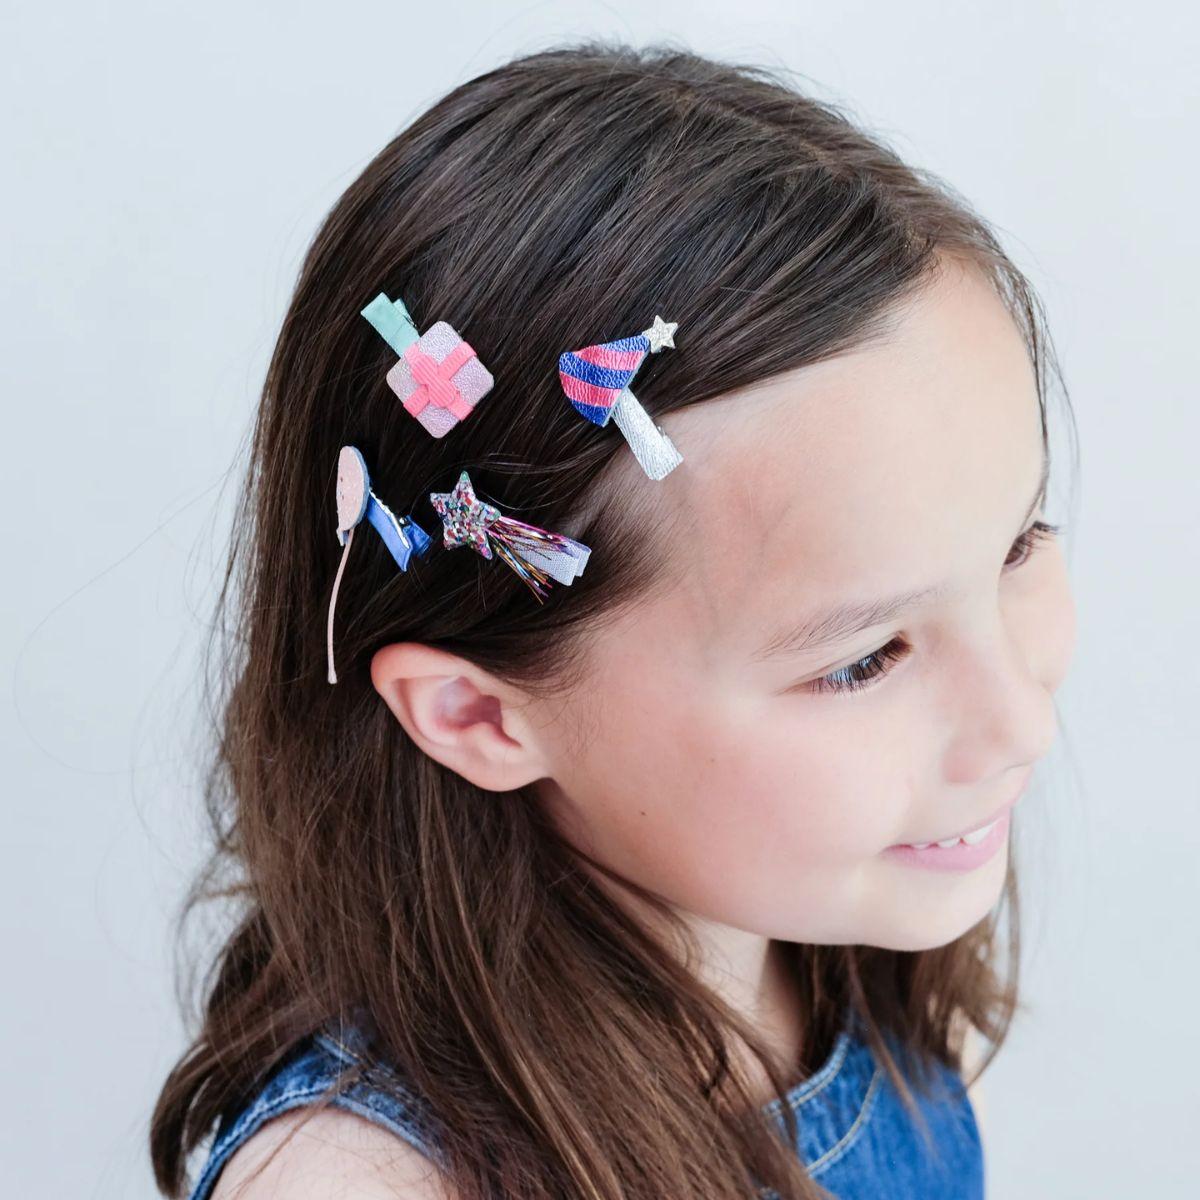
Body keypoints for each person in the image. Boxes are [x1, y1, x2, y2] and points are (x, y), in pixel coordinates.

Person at [149, 39, 1077, 1200]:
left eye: (1020, 547)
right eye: (862, 660)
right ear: (478, 713)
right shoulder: (362, 1187)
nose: (1019, 725)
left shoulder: (871, 982)